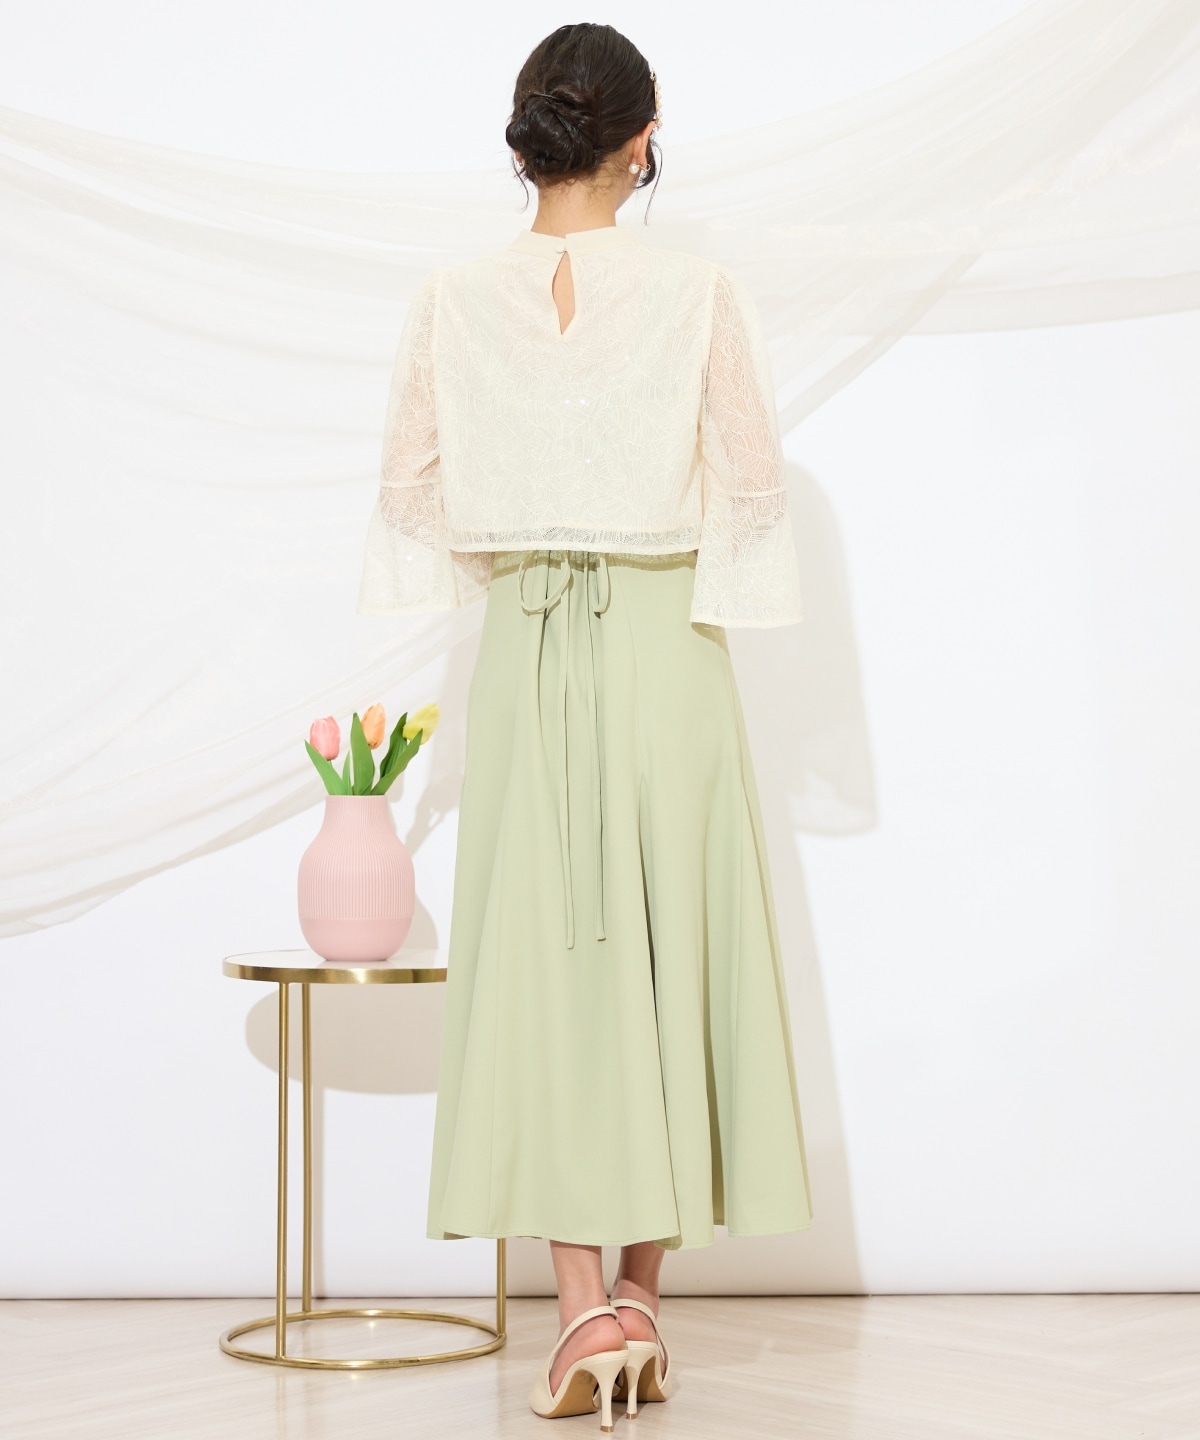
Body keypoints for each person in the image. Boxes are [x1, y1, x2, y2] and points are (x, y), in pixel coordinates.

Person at [357, 22, 812, 1430]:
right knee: (671, 940)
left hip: (530, 639)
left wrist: (527, 537)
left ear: (525, 140)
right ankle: (644, 1303)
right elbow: (751, 480)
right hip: (667, 643)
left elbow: (411, 487)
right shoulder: (697, 290)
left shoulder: (450, 298)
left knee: (551, 960)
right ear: (643, 137)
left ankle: (578, 1316)